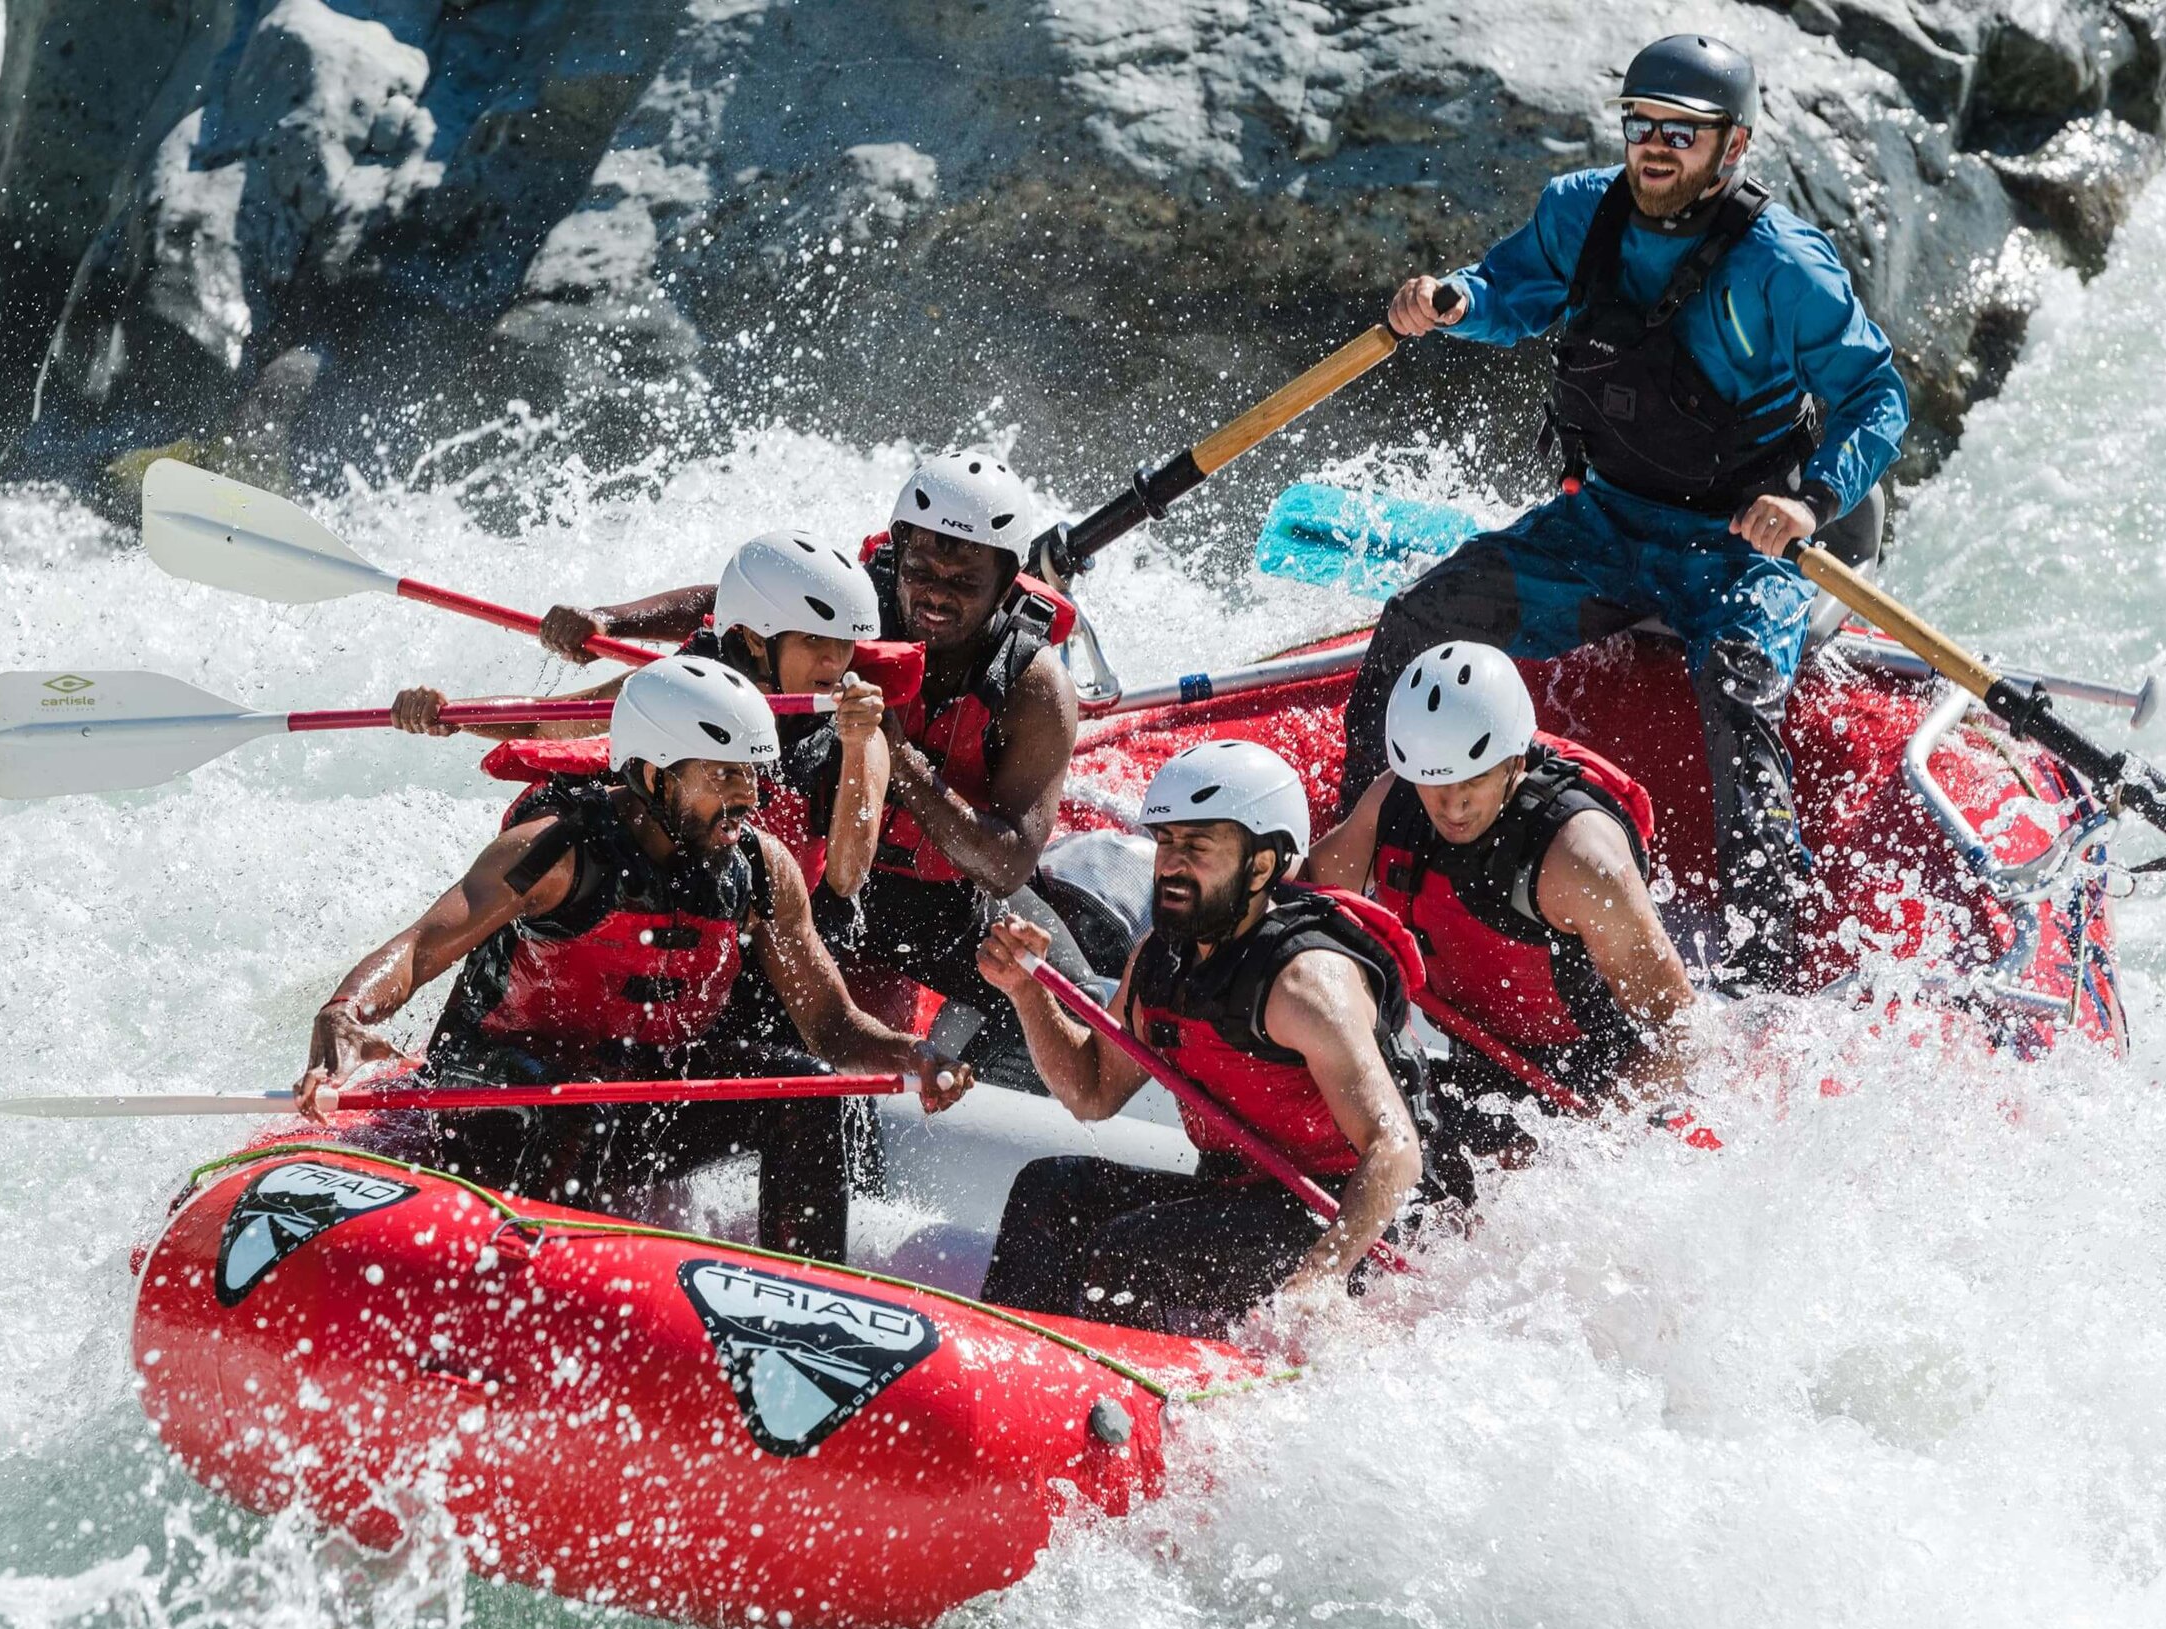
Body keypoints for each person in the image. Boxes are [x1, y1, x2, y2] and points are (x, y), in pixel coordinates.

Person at [1342, 33, 1909, 991]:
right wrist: (1452, 301)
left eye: (1683, 132)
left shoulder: (1783, 263)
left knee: (1740, 706)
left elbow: (1877, 399)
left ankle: (1770, 970)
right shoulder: (1580, 212)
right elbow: (1510, 293)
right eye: (1644, 124)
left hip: (1739, 547)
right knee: (1417, 623)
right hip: (1602, 526)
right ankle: (1363, 869)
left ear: (1733, 147)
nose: (1656, 146)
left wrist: (1807, 500)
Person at [296, 656, 971, 1263]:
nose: (748, 797)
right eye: (724, 775)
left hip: (635, 1098)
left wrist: (912, 1055)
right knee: (580, 1102)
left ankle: (808, 1294)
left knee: (804, 1090)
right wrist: (346, 1011)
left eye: (751, 774)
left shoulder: (763, 869)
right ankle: (533, 1282)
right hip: (497, 1099)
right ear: (653, 773)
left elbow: (832, 1023)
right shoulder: (559, 852)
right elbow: (419, 947)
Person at [532, 452, 1099, 1082]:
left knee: (1081, 1009)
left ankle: (982, 1099)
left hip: (940, 901)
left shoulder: (1036, 688)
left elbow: (1007, 864)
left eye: (965, 583)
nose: (935, 594)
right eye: (920, 570)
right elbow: (739, 606)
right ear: (900, 549)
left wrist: (895, 752)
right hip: (820, 886)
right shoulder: (853, 599)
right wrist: (613, 621)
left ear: (1007, 581)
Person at [972, 742, 1427, 1336]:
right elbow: (1092, 1091)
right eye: (1166, 844)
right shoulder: (1159, 961)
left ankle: (1116, 1401)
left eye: (1197, 847)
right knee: (1048, 1190)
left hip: (1349, 1220)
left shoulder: (1305, 984)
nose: (1169, 866)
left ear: (1261, 866)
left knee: (1129, 1250)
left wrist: (1324, 1272)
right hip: (1241, 1194)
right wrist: (1026, 993)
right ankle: (1010, 1358)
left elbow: (1395, 1150)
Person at [1310, 643, 1696, 1193]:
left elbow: (1683, 1036)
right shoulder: (1396, 802)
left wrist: (1572, 1148)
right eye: (1434, 782)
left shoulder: (1580, 859)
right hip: (1483, 1069)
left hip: (1597, 1091)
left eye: (1473, 780)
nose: (1451, 805)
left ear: (1516, 758)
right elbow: (1308, 899)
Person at [390, 529, 893, 902]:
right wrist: (449, 714)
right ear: (758, 637)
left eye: (843, 643)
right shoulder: (688, 685)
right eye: (813, 640)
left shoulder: (859, 725)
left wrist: (854, 745)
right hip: (690, 907)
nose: (834, 661)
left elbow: (847, 877)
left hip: (781, 935)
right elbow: (555, 721)